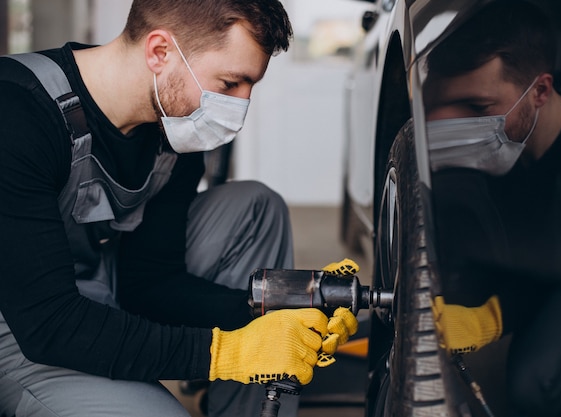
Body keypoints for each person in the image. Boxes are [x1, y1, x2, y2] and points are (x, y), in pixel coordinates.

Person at [0, 1, 357, 416]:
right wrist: (226, 352)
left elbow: (149, 284)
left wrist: (284, 309)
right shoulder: (17, 113)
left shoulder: (175, 122)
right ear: (159, 52)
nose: (241, 108)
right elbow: (50, 326)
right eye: (230, 83)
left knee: (256, 207)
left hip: (96, 285)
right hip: (23, 327)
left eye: (250, 87)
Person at [422, 1, 561, 416]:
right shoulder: (507, 152)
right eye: (446, 107)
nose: (456, 125)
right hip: (538, 273)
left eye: (478, 109)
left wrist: (491, 317)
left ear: (541, 92)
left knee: (535, 384)